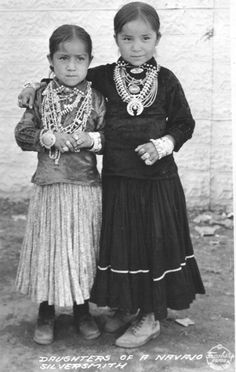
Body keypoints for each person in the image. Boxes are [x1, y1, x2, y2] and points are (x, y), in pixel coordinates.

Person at [17, 2, 205, 349]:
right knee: (123, 245)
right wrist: (32, 85)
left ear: (157, 39)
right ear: (116, 39)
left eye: (145, 38)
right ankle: (127, 306)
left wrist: (164, 144)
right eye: (127, 38)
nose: (136, 46)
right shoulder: (103, 75)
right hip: (118, 179)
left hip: (156, 180)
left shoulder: (165, 80)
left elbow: (185, 123)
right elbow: (65, 76)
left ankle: (149, 318)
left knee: (151, 245)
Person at [15, 24, 106, 345]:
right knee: (51, 251)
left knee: (81, 251)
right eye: (63, 58)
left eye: (79, 59)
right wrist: (50, 136)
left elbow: (112, 138)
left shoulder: (96, 99)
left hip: (84, 188)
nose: (71, 66)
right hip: (50, 187)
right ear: (50, 60)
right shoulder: (40, 96)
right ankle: (46, 310)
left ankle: (82, 309)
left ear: (89, 61)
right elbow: (22, 134)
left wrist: (89, 139)